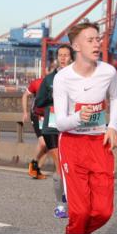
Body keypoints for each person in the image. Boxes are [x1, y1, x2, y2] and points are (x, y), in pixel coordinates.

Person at [53, 22, 117, 234]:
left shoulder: (108, 72)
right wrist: (78, 118)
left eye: (98, 39)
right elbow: (60, 122)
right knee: (80, 212)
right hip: (72, 144)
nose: (97, 44)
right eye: (91, 40)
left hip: (100, 142)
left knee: (104, 212)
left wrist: (112, 126)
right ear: (76, 46)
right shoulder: (63, 78)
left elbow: (116, 97)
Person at [34, 44, 75, 217]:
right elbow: (39, 102)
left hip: (73, 125)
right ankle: (61, 204)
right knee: (60, 167)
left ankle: (73, 199)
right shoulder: (50, 79)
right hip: (52, 126)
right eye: (60, 55)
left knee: (71, 166)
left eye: (66, 55)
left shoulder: (78, 77)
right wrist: (53, 96)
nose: (63, 58)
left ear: (72, 57)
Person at [22, 72, 49, 179]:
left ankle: (37, 171)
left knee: (49, 145)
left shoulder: (59, 84)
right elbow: (25, 95)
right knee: (43, 143)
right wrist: (25, 112)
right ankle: (33, 163)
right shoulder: (36, 83)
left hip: (49, 116)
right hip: (37, 115)